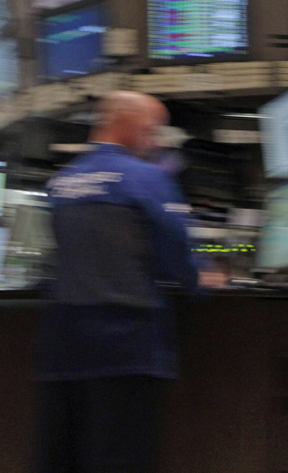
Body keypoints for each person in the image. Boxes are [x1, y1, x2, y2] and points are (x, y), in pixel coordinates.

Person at [34, 91, 200, 473]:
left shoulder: (62, 183)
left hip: (63, 348)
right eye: (151, 129)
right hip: (126, 346)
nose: (154, 141)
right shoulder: (146, 179)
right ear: (124, 123)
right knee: (120, 460)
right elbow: (177, 254)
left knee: (62, 458)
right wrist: (201, 280)